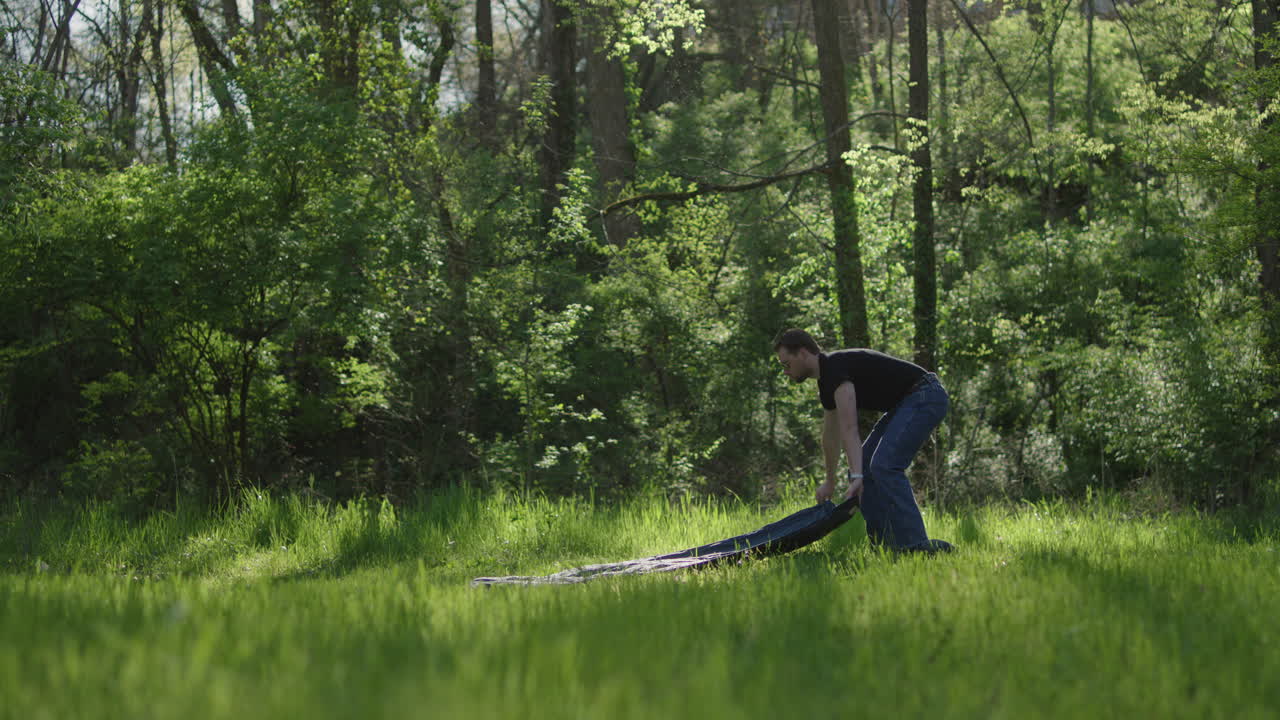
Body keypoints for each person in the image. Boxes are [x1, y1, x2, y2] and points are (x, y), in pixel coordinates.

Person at [773, 328, 953, 554]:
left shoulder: (834, 368)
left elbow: (849, 427)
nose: (785, 372)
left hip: (926, 394)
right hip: (905, 404)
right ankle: (885, 548)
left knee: (884, 465)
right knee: (865, 468)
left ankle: (916, 546)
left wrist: (856, 475)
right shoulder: (826, 383)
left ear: (802, 353)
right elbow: (830, 437)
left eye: (786, 364)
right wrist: (830, 481)